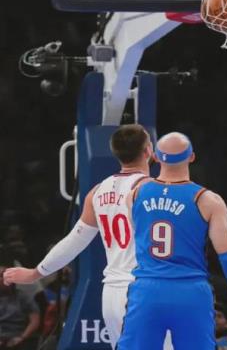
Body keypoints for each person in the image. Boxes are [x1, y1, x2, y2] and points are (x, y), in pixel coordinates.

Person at [3, 124, 156, 349]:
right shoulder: (153, 190)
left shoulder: (98, 192)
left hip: (113, 293)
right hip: (143, 289)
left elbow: (74, 241)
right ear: (148, 151)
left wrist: (36, 272)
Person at [117, 132, 227, 350]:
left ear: (156, 157)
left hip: (147, 290)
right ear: (192, 157)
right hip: (190, 292)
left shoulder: (135, 195)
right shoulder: (207, 200)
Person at [0, 265, 40, 350]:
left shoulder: (23, 297)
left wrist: (22, 337)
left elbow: (35, 321)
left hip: (18, 337)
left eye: (4, 275)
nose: (3, 278)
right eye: (1, 276)